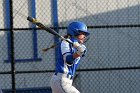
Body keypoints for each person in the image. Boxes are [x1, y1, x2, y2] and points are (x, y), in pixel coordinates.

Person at [50, 21, 90, 93]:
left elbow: (83, 52)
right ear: (75, 32)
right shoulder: (65, 43)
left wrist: (78, 47)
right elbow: (68, 59)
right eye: (82, 33)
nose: (84, 36)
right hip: (61, 80)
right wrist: (78, 52)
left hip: (66, 81)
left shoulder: (80, 46)